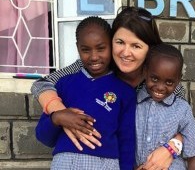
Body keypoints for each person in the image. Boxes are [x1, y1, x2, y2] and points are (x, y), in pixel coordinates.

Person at [31, 6, 185, 169]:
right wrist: (59, 113)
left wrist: (172, 147)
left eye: (136, 46)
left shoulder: (164, 83)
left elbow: (185, 124)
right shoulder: (93, 67)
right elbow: (41, 84)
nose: (126, 53)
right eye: (120, 42)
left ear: (150, 50)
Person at [35, 16, 136, 170]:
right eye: (86, 50)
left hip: (106, 165)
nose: (94, 56)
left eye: (101, 48)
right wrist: (57, 117)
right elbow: (44, 137)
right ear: (78, 48)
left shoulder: (125, 92)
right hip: (64, 164)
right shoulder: (63, 85)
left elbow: (126, 142)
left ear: (111, 45)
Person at [135, 43, 195, 170]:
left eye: (169, 82)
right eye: (155, 79)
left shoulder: (182, 109)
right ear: (145, 72)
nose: (160, 87)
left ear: (178, 80)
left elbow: (194, 155)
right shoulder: (131, 103)